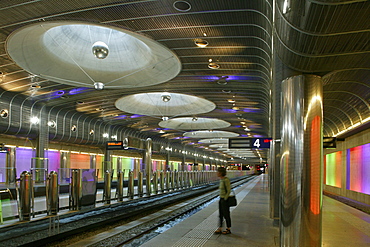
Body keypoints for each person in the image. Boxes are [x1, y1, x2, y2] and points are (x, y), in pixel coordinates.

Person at [215, 167, 231, 234]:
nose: (217, 173)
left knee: (226, 214)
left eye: (218, 172)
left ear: (221, 173)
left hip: (225, 200)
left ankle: (228, 228)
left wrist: (225, 199)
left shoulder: (226, 180)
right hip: (221, 199)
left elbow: (228, 190)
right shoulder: (221, 180)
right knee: (220, 214)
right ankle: (220, 228)